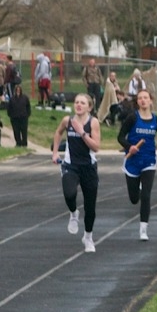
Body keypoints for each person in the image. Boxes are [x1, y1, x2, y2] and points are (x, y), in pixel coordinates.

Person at [51, 94, 102, 253]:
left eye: (82, 103)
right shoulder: (67, 121)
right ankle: (73, 213)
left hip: (88, 167)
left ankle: (88, 237)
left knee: (90, 207)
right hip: (70, 165)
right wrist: (55, 153)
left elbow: (96, 147)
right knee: (69, 193)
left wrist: (82, 133)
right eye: (76, 102)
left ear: (89, 107)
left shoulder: (93, 122)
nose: (79, 105)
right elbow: (58, 133)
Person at [118, 89, 157, 241]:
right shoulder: (132, 118)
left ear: (151, 101)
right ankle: (137, 189)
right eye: (140, 98)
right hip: (132, 162)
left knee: (146, 195)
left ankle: (143, 229)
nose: (143, 100)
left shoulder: (156, 121)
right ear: (137, 102)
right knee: (134, 198)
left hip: (149, 161)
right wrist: (129, 147)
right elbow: (120, 137)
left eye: (145, 98)